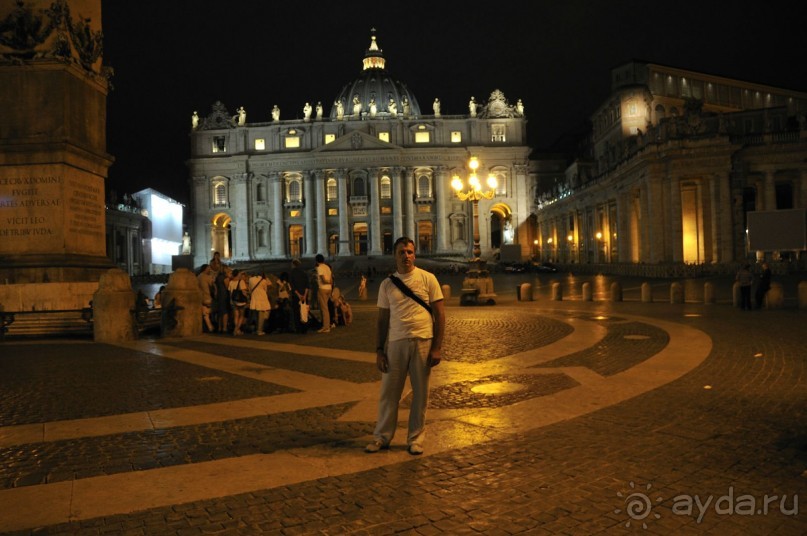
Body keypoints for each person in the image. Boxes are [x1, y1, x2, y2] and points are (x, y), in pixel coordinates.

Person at [365, 236, 445, 456]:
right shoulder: (386, 284)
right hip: (396, 343)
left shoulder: (428, 279)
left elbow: (440, 314)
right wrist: (379, 350)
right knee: (389, 393)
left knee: (421, 394)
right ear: (395, 256)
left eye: (409, 252)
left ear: (415, 254)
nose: (406, 256)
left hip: (423, 340)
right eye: (402, 252)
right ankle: (382, 437)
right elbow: (382, 319)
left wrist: (437, 347)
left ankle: (416, 439)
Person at [314, 253, 333, 333]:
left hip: (323, 289)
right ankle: (325, 325)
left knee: (324, 308)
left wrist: (326, 282)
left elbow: (323, 280)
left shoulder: (320, 268)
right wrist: (329, 283)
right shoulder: (327, 267)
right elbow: (331, 279)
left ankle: (326, 327)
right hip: (329, 289)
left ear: (317, 261)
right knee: (325, 308)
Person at [229, 269, 249, 335]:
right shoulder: (241, 281)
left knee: (236, 316)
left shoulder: (231, 282)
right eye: (239, 274)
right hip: (240, 301)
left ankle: (238, 331)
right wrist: (247, 299)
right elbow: (243, 292)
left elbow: (230, 292)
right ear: (237, 274)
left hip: (233, 301)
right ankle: (236, 329)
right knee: (241, 316)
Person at [197, 264, 216, 332]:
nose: (209, 270)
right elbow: (212, 284)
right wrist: (213, 276)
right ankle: (212, 327)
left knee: (205, 314)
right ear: (205, 269)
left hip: (202, 298)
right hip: (208, 297)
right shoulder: (207, 277)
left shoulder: (199, 276)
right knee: (211, 312)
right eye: (208, 268)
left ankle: (210, 327)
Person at [214, 267, 232, 333]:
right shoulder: (225, 278)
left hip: (219, 295)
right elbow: (227, 287)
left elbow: (215, 286)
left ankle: (219, 327)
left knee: (220, 312)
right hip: (224, 296)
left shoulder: (218, 277)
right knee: (225, 312)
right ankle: (224, 328)